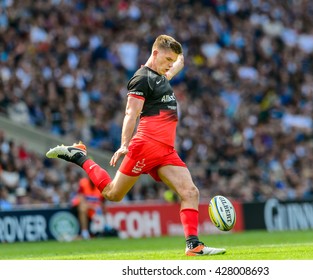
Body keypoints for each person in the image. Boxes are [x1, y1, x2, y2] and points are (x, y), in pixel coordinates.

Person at [46, 34, 226, 256]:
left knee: (190, 192)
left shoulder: (161, 77)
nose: (169, 64)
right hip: (146, 145)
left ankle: (193, 245)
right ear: (155, 53)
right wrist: (124, 144)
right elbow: (131, 113)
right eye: (167, 59)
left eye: (172, 61)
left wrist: (180, 60)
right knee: (113, 194)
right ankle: (78, 155)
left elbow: (172, 70)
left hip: (166, 151)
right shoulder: (142, 78)